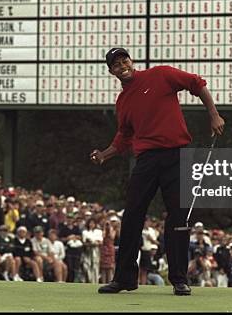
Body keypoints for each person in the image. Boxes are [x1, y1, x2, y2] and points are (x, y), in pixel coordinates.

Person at [91, 47, 224, 296]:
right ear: (111, 72)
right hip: (147, 159)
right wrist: (104, 154)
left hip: (177, 154)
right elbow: (125, 136)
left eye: (124, 60)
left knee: (178, 218)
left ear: (131, 61)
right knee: (132, 214)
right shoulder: (123, 101)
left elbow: (197, 83)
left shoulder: (160, 74)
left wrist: (214, 115)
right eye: (116, 64)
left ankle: (179, 280)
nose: (122, 65)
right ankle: (124, 279)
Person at [81, 218, 103, 284]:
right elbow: (84, 242)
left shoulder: (99, 231)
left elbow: (100, 242)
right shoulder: (85, 232)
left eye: (93, 223)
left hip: (96, 251)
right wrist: (91, 243)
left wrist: (95, 243)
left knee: (95, 266)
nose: (91, 224)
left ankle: (95, 281)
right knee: (86, 266)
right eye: (90, 223)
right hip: (87, 251)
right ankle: (88, 280)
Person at [99, 219, 116, 284]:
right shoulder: (102, 231)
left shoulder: (113, 231)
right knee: (103, 268)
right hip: (104, 249)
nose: (107, 226)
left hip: (110, 249)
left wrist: (109, 229)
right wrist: (104, 229)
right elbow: (102, 237)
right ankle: (103, 283)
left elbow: (112, 237)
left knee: (110, 268)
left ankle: (110, 282)